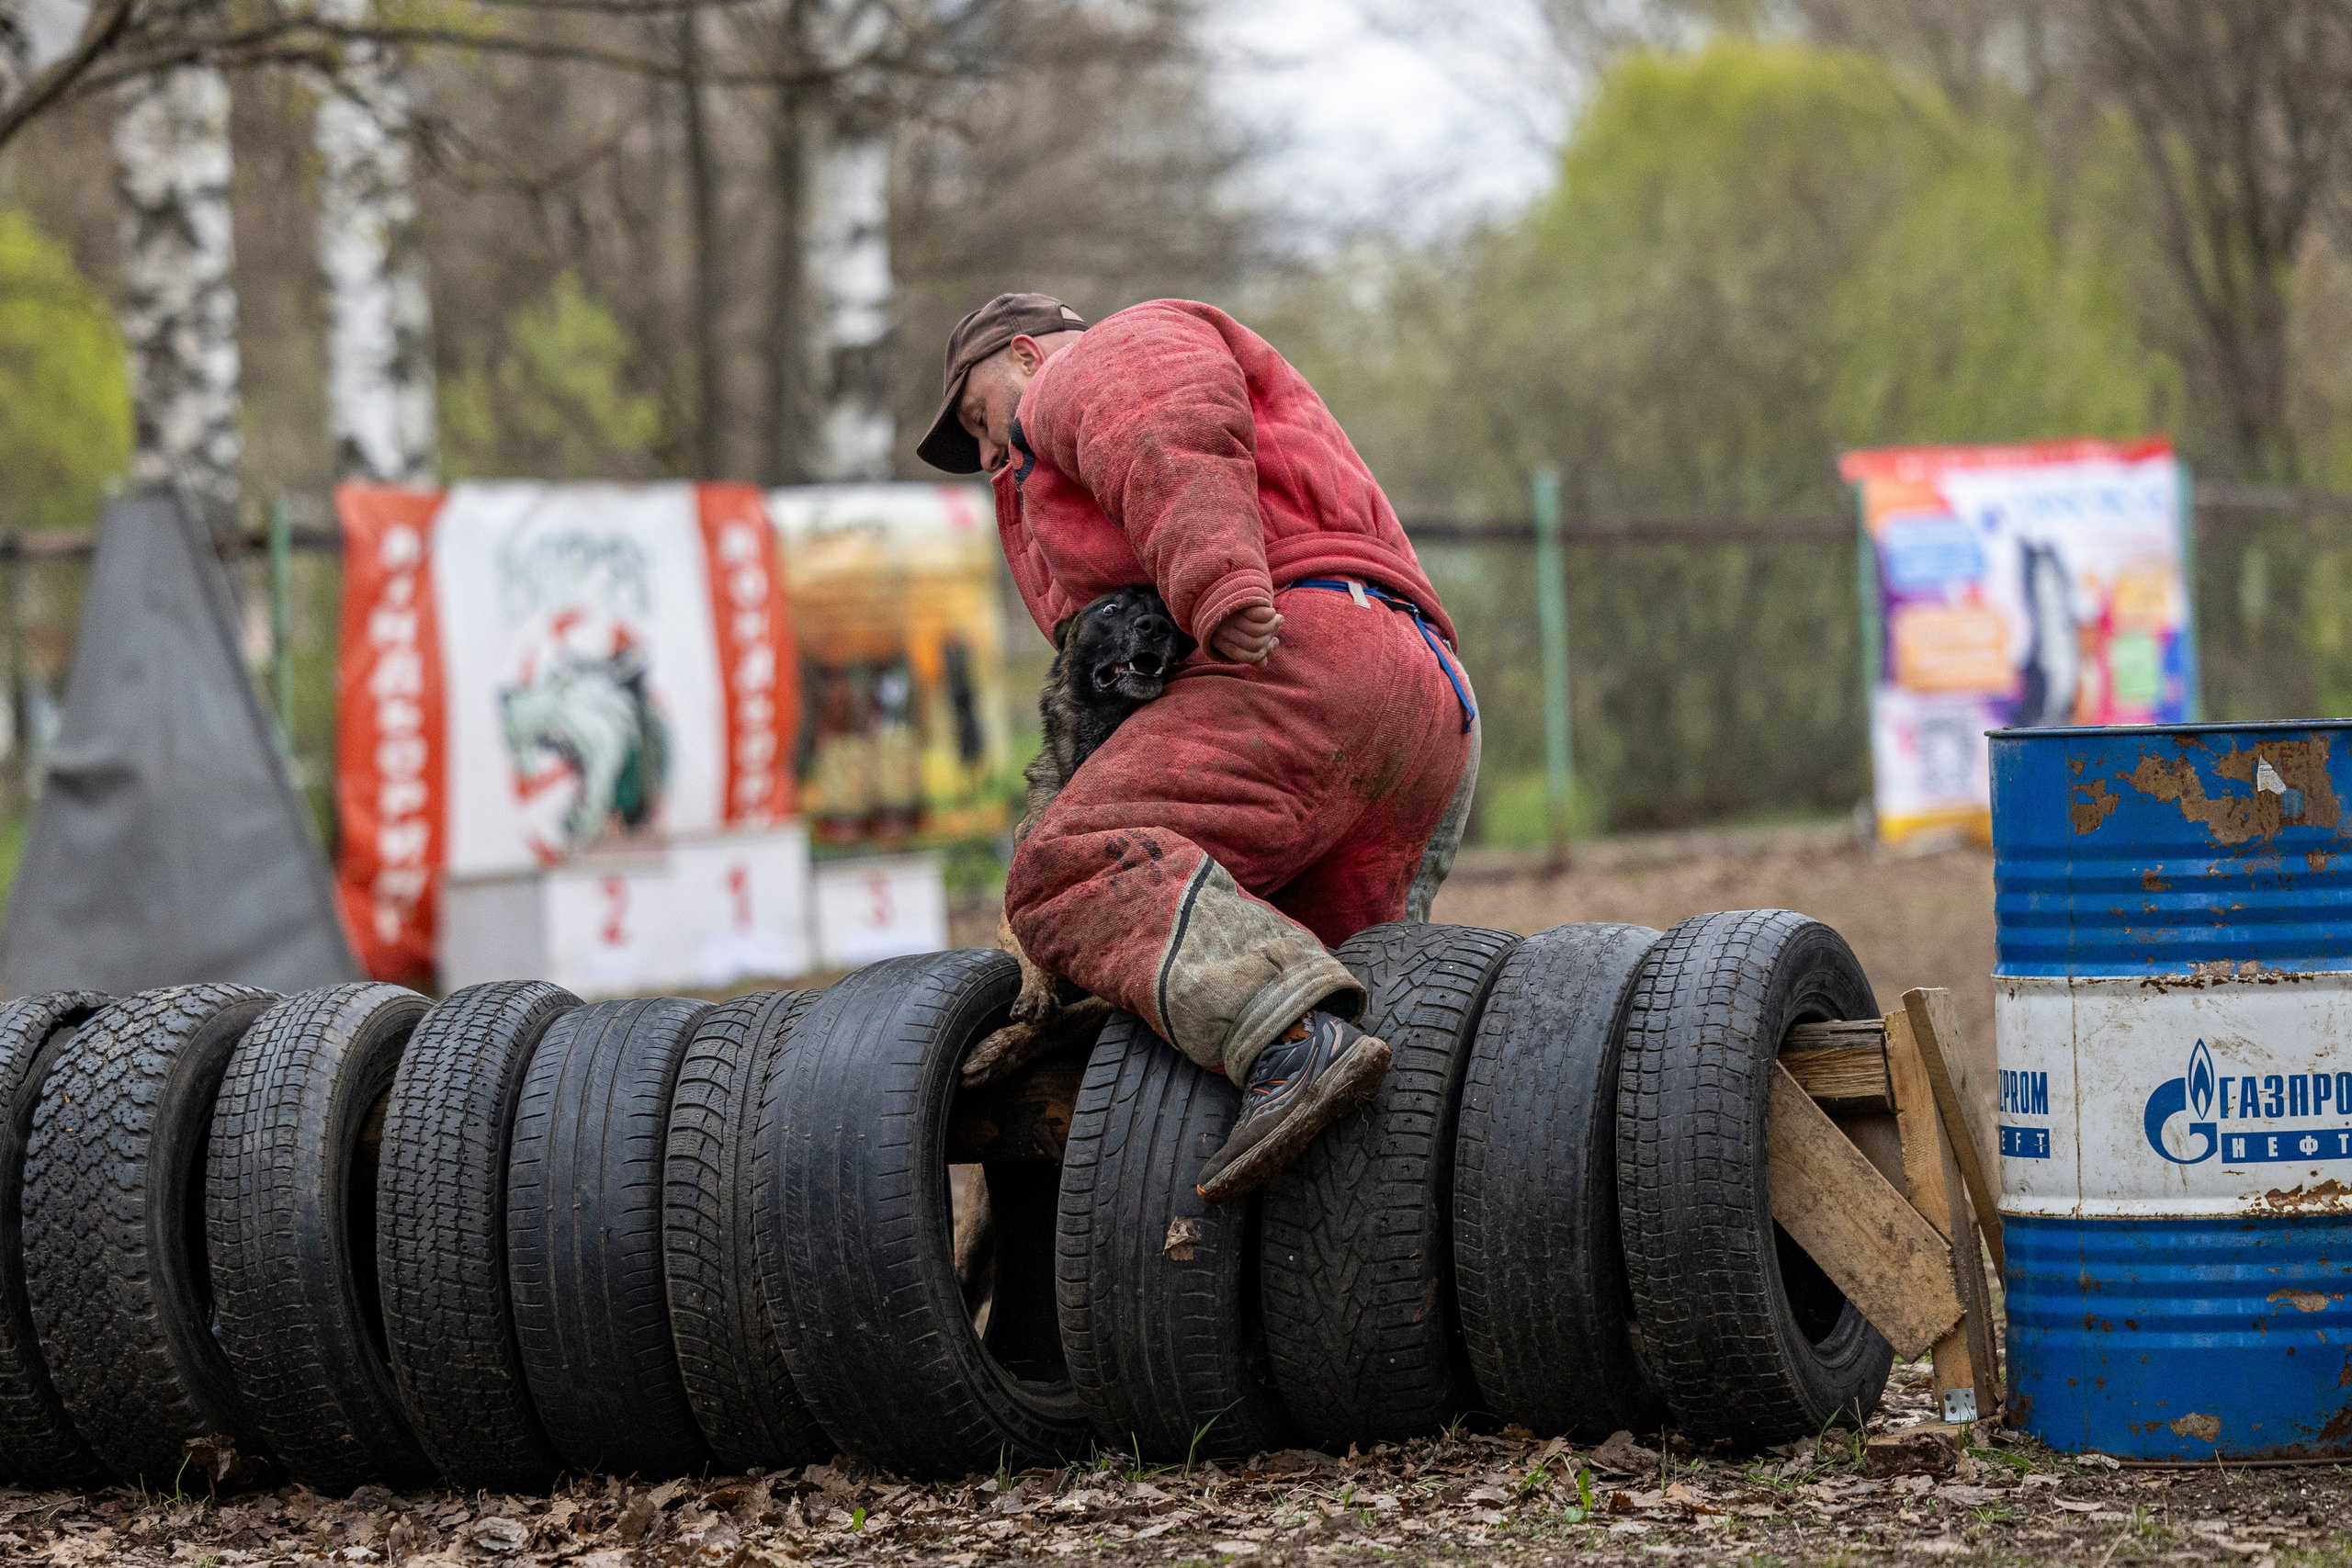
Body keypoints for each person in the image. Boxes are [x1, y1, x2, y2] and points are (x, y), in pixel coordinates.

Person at [916, 292, 1478, 1201]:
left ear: (1024, 357)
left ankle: (1294, 1043)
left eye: (980, 423)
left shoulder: (1091, 363)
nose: (987, 457)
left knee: (1066, 872)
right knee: (1353, 982)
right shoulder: (1072, 461)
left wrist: (1215, 584)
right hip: (1422, 705)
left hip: (1299, 660)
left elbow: (1165, 413)